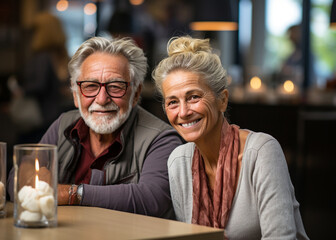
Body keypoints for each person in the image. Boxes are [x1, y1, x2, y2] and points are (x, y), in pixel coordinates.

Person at [8, 36, 183, 219]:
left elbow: (151, 200)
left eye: (115, 87)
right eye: (90, 86)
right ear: (76, 95)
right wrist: (25, 175)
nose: (101, 99)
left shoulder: (162, 138)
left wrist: (71, 193)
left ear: (136, 94)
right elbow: (16, 176)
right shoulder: (64, 125)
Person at [152, 36, 309, 239]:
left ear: (222, 100)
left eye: (193, 97)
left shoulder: (261, 152)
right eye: (172, 102)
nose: (183, 112)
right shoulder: (178, 162)